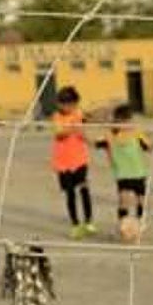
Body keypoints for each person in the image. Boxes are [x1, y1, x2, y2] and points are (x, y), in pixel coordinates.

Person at [50, 86, 96, 239]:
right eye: (64, 104)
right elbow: (59, 133)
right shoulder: (57, 117)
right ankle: (75, 224)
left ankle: (88, 222)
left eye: (72, 104)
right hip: (63, 163)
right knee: (70, 194)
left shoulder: (78, 113)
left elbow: (87, 123)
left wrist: (88, 133)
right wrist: (73, 126)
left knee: (84, 189)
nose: (67, 107)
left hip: (80, 159)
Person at [96, 104, 152, 225]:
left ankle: (140, 223)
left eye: (128, 120)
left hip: (138, 173)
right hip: (122, 174)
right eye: (122, 120)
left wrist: (149, 144)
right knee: (123, 200)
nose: (126, 123)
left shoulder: (136, 133)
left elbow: (148, 147)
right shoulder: (110, 135)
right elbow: (95, 143)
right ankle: (123, 224)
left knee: (141, 200)